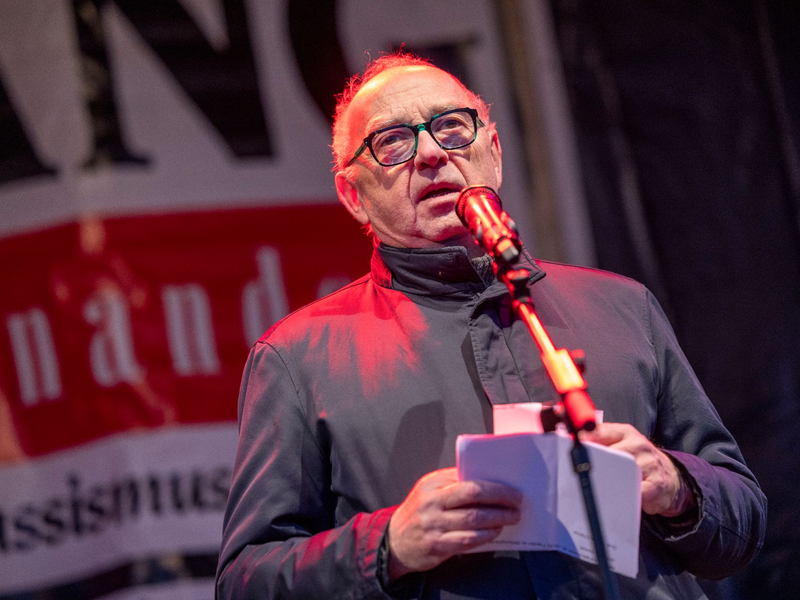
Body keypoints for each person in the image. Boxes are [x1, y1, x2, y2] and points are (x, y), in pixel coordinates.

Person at [215, 53, 766, 599]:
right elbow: (246, 581)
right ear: (353, 196)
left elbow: (743, 519)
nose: (431, 153)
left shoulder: (621, 305)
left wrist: (677, 487)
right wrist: (388, 547)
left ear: (494, 155)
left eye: (452, 127)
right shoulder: (300, 357)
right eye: (392, 142)